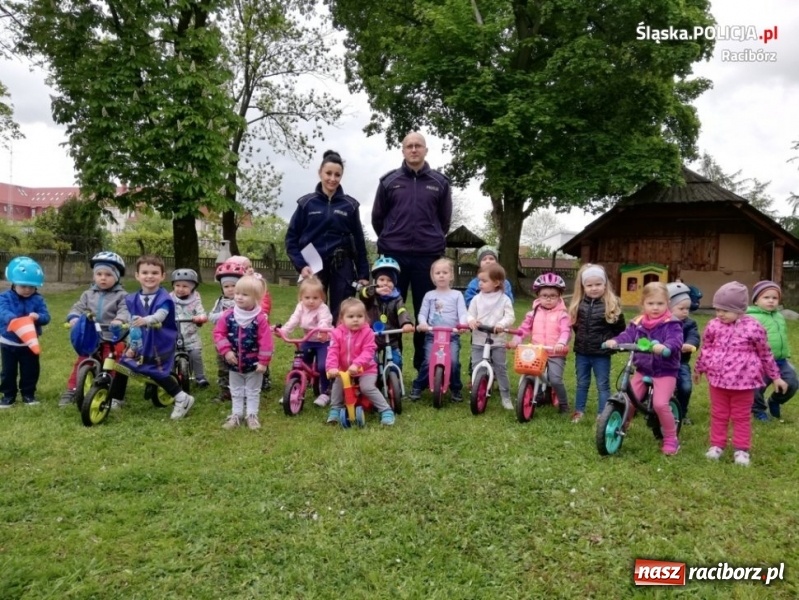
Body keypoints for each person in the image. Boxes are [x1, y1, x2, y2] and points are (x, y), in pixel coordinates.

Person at [372, 131, 452, 372]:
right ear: (403, 151)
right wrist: (391, 236)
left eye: (418, 146)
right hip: (393, 256)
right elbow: (378, 219)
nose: (414, 149)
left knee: (423, 312)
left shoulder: (439, 182)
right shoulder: (389, 182)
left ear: (426, 150)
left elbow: (444, 221)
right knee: (389, 308)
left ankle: (422, 365)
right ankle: (389, 361)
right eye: (409, 146)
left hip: (427, 257)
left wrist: (431, 237)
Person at [694, 281, 787, 466]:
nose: (720, 314)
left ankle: (741, 449)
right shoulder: (713, 325)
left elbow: (765, 353)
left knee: (741, 416)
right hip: (718, 381)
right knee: (719, 414)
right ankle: (716, 445)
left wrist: (776, 376)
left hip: (744, 382)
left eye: (725, 310)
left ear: (740, 309)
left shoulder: (754, 327)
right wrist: (699, 369)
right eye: (717, 309)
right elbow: (707, 349)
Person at [285, 150, 370, 323]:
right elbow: (291, 239)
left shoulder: (350, 205)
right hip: (313, 267)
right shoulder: (306, 204)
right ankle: (316, 349)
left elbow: (360, 242)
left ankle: (341, 348)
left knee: (343, 313)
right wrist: (301, 266)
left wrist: (363, 274)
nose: (332, 178)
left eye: (337, 175)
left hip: (342, 266)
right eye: (328, 173)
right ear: (320, 172)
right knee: (314, 313)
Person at [107, 255, 195, 419]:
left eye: (154, 273)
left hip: (159, 341)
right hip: (140, 340)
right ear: (137, 275)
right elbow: (130, 318)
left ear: (162, 276)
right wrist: (122, 325)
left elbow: (160, 315)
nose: (149, 276)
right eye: (145, 272)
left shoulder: (164, 298)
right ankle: (116, 398)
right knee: (123, 366)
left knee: (157, 371)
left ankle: (182, 398)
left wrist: (146, 320)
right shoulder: (132, 298)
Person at [605, 282, 684, 455]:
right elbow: (628, 335)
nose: (655, 308)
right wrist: (615, 341)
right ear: (643, 304)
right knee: (628, 398)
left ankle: (671, 438)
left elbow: (675, 340)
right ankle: (622, 423)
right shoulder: (638, 322)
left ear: (667, 303)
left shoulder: (671, 323)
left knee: (660, 404)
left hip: (665, 371)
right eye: (651, 303)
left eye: (660, 303)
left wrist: (665, 347)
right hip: (643, 368)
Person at [61, 251, 130, 407]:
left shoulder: (122, 296)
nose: (103, 278)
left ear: (117, 277)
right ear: (94, 276)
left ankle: (109, 389)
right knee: (83, 362)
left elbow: (125, 310)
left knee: (112, 359)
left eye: (108, 274)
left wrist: (120, 320)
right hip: (91, 336)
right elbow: (78, 307)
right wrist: (74, 318)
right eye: (99, 274)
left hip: (113, 336)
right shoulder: (88, 294)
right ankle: (73, 389)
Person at [214, 275, 274, 430]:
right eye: (237, 293)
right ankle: (236, 414)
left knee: (253, 391)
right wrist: (226, 351)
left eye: (245, 294)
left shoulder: (260, 319)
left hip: (254, 364)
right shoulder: (228, 315)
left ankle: (252, 415)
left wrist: (263, 362)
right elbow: (219, 333)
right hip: (234, 362)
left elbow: (266, 342)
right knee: (236, 390)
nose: (239, 297)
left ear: (257, 297)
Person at [568, 263, 625, 423]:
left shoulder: (611, 305)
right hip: (582, 353)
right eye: (590, 285)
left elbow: (620, 329)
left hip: (601, 354)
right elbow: (576, 327)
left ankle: (603, 413)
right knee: (582, 382)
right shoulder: (579, 305)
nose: (594, 288)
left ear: (605, 284)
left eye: (598, 284)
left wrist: (612, 342)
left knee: (602, 384)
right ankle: (579, 411)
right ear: (584, 286)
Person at [325, 298, 396, 425]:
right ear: (342, 319)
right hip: (344, 369)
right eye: (351, 316)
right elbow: (333, 351)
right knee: (337, 385)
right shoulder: (337, 334)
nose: (355, 319)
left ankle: (386, 410)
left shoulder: (367, 332)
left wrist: (357, 364)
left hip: (366, 369)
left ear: (365, 318)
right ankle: (336, 408)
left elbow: (369, 351)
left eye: (359, 316)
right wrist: (331, 367)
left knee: (367, 387)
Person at [509, 273, 571, 414]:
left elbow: (565, 331)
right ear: (538, 296)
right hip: (538, 351)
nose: (548, 299)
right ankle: (536, 394)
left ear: (559, 296)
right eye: (544, 295)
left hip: (556, 352)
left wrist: (561, 342)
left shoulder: (562, 314)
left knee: (555, 380)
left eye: (553, 295)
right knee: (530, 373)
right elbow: (523, 329)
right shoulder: (533, 313)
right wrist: (516, 341)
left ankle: (563, 404)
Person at [409, 258, 469, 402]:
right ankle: (418, 386)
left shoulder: (457, 295)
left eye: (445, 272)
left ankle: (455, 388)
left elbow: (462, 312)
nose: (441, 275)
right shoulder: (430, 295)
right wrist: (422, 323)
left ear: (451, 275)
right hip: (432, 335)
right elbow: (422, 313)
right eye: (438, 273)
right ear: (433, 276)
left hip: (452, 336)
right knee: (428, 361)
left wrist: (462, 324)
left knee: (454, 362)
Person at [0, 257, 50, 407]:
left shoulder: (38, 300)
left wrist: (38, 317)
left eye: (32, 287)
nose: (27, 290)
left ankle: (28, 394)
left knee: (30, 370)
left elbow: (46, 317)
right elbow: (2, 310)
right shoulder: (5, 297)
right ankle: (8, 395)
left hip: (29, 343)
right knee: (8, 371)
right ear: (14, 283)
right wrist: (12, 318)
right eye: (23, 286)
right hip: (8, 342)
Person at [278, 276, 334, 407]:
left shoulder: (323, 308)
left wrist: (323, 331)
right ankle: (292, 390)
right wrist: (284, 331)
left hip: (323, 341)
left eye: (315, 298)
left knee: (323, 366)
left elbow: (324, 320)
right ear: (301, 298)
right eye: (307, 298)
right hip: (307, 339)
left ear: (322, 298)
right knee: (299, 364)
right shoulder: (301, 307)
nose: (311, 301)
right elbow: (294, 319)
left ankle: (326, 392)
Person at [746, 280, 797, 421]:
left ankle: (775, 400)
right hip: (759, 362)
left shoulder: (779, 316)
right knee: (757, 388)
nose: (771, 301)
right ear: (756, 300)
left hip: (780, 360)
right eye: (766, 297)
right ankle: (758, 410)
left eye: (774, 298)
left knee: (792, 382)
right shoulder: (751, 318)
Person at [466, 263, 515, 409]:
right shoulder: (476, 299)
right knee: (477, 367)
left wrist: (501, 324)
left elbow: (510, 316)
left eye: (484, 281)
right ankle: (477, 393)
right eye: (479, 280)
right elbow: (469, 314)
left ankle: (505, 397)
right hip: (479, 339)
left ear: (497, 282)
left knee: (500, 368)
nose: (480, 283)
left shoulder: (504, 299)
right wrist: (471, 321)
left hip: (497, 340)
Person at [359, 256, 415, 370]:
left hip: (391, 336)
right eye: (382, 279)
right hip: (372, 336)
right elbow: (362, 294)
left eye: (390, 280)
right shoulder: (371, 295)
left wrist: (406, 323)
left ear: (394, 283)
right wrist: (374, 291)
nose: (385, 283)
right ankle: (371, 381)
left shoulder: (397, 298)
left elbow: (401, 310)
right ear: (375, 281)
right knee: (369, 361)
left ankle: (393, 383)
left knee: (396, 361)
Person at [226, 254, 273, 391]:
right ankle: (235, 380)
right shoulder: (237, 288)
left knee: (259, 349)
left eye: (250, 266)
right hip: (237, 327)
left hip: (256, 323)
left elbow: (264, 299)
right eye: (245, 268)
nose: (250, 269)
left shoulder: (257, 282)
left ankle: (263, 376)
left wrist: (262, 311)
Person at [209, 260, 248, 402]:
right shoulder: (220, 302)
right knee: (223, 367)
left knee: (241, 366)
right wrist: (226, 314)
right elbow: (211, 316)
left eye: (234, 285)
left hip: (242, 340)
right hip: (223, 341)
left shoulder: (244, 300)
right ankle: (225, 391)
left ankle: (243, 391)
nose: (230, 289)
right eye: (226, 286)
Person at [666, 282, 700, 425]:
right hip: (660, 362)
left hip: (680, 362)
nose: (685, 311)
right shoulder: (661, 322)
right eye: (681, 308)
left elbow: (694, 336)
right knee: (645, 383)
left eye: (688, 308)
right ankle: (639, 406)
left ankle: (682, 412)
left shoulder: (689, 324)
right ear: (668, 307)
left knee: (685, 387)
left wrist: (690, 344)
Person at [169, 268, 209, 389]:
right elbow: (162, 311)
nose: (180, 289)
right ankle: (170, 377)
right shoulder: (169, 298)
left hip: (191, 335)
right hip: (173, 335)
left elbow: (202, 313)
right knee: (170, 356)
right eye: (177, 285)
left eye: (185, 286)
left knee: (196, 355)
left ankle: (200, 377)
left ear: (192, 287)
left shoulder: (195, 299)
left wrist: (200, 318)